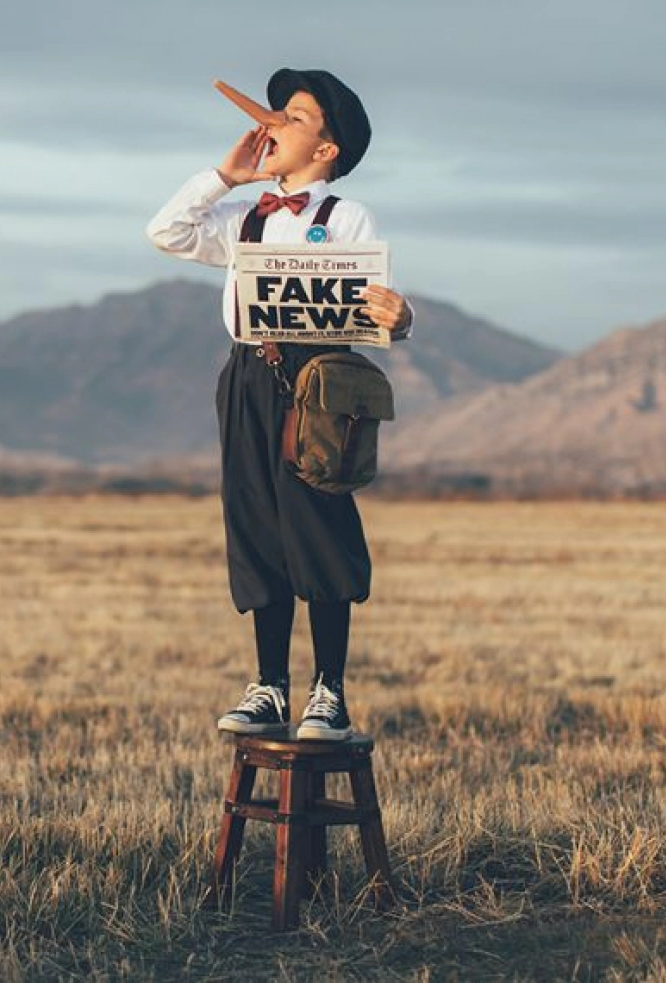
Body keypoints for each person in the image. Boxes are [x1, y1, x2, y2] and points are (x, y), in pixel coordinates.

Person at [146, 68, 412, 740]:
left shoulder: (344, 216)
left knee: (317, 521)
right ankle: (268, 684)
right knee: (256, 521)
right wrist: (225, 179)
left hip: (320, 379)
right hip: (247, 376)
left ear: (326, 150)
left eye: (293, 116)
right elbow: (167, 233)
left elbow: (373, 308)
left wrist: (401, 316)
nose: (272, 122)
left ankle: (329, 690)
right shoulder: (243, 219)